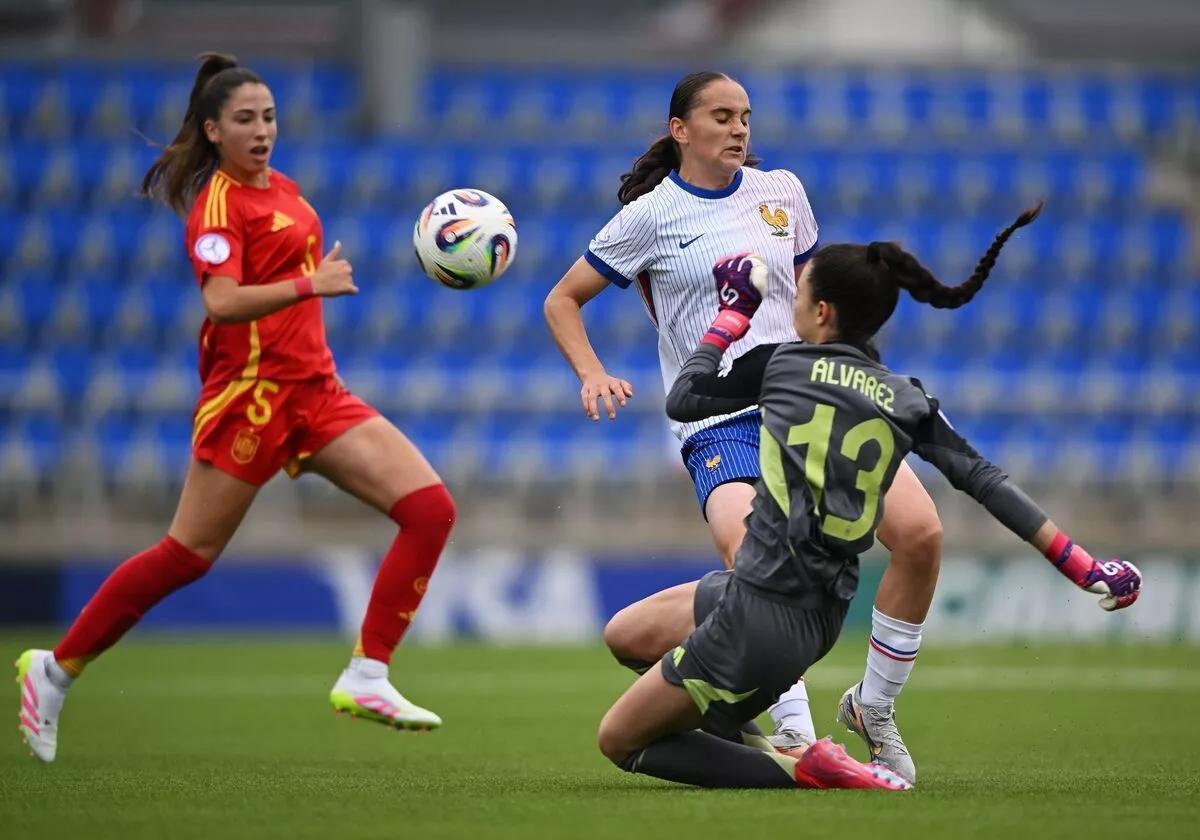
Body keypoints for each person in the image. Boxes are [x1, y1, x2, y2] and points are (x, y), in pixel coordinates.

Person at [594, 206, 1143, 789]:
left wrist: (731, 317)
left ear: (821, 312)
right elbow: (988, 483)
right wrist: (1084, 567)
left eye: (797, 294)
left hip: (758, 616)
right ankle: (774, 736)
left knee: (619, 741)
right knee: (626, 635)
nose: (790, 303)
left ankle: (803, 768)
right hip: (816, 612)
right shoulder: (903, 398)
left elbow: (683, 399)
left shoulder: (780, 365)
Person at [16, 54, 456, 763]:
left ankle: (367, 672)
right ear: (213, 130)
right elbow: (220, 302)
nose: (262, 131)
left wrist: (306, 291)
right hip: (251, 400)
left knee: (431, 508)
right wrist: (309, 285)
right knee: (186, 555)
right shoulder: (217, 206)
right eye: (245, 120)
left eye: (270, 117)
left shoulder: (284, 189)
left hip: (317, 392)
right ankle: (55, 669)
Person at [544, 70, 942, 781]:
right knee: (749, 558)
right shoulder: (649, 217)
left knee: (920, 534)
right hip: (721, 417)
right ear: (680, 130)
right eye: (722, 116)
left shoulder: (781, 192)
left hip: (811, 404)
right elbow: (562, 300)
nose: (738, 129)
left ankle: (873, 708)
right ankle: (798, 739)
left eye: (745, 117)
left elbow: (815, 302)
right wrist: (591, 372)